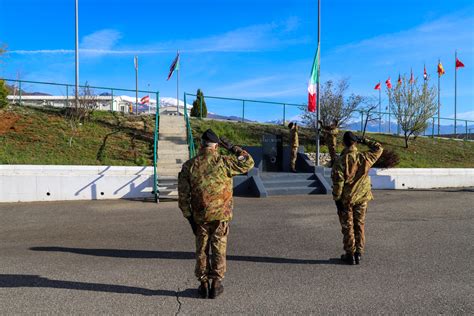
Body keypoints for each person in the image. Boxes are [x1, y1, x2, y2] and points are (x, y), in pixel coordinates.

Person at [178, 129, 254, 299]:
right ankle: (216, 284)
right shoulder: (225, 162)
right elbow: (248, 162)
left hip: (200, 217)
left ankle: (203, 283)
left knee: (202, 250)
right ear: (217, 146)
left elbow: (183, 196)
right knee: (219, 248)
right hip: (221, 216)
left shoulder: (189, 165)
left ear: (201, 145)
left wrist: (189, 217)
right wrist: (234, 148)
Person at [331, 131, 383, 265]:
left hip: (346, 200)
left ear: (343, 143)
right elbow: (379, 148)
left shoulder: (340, 161)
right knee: (359, 225)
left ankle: (350, 254)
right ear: (355, 142)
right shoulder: (364, 157)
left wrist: (337, 199)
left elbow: (338, 183)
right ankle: (359, 253)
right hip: (362, 198)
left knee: (348, 227)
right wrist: (364, 140)